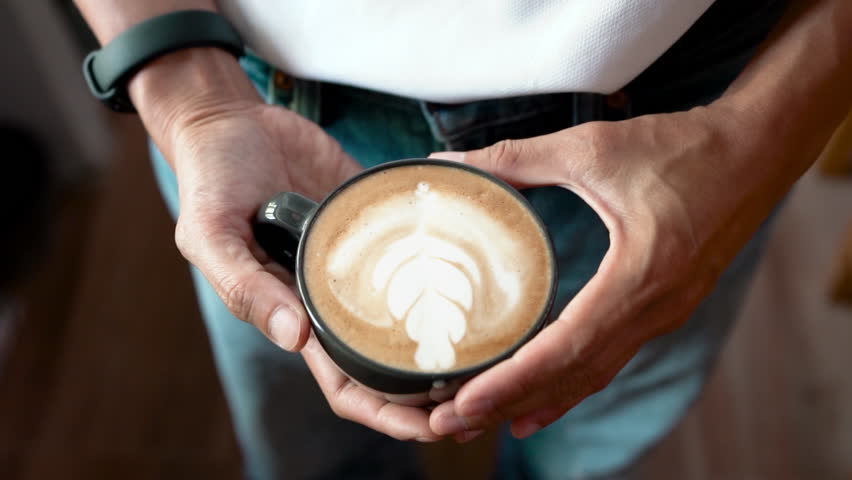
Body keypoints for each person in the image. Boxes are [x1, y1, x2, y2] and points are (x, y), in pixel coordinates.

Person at [75, 1, 852, 479]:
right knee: (311, 458)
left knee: (591, 459)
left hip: (670, 137)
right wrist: (189, 99)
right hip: (250, 100)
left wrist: (750, 136)